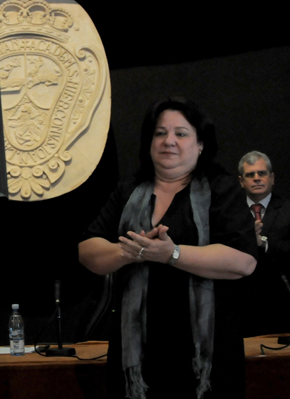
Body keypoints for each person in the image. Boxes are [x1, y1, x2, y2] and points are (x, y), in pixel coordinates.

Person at [78, 97, 257, 399]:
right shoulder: (128, 191)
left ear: (201, 144)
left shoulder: (222, 189)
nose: (168, 141)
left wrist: (171, 254)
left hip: (205, 354)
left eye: (181, 133)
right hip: (138, 356)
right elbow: (87, 249)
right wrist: (126, 252)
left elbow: (243, 262)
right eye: (160, 133)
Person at [237, 150, 290, 336]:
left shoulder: (287, 209)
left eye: (262, 173)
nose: (257, 178)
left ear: (272, 178)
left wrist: (264, 244)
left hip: (279, 302)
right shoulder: (230, 213)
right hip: (238, 305)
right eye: (250, 175)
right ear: (241, 181)